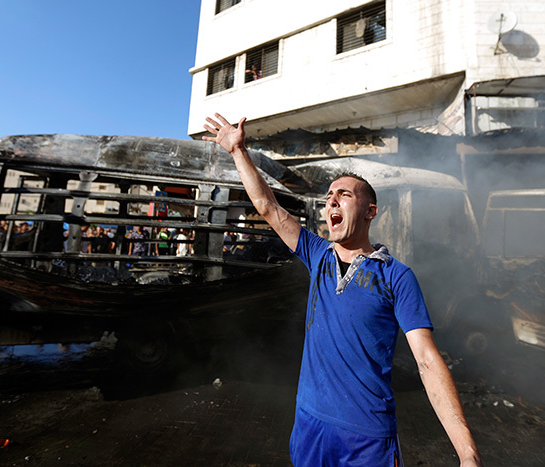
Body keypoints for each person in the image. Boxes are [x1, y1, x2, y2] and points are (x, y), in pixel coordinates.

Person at [203, 113, 481, 467]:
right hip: (309, 424)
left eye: (344, 195)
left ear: (370, 211)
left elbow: (427, 362)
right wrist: (238, 151)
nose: (331, 201)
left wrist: (467, 453)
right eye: (329, 196)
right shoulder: (318, 254)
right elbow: (267, 207)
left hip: (366, 439)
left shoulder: (397, 277)